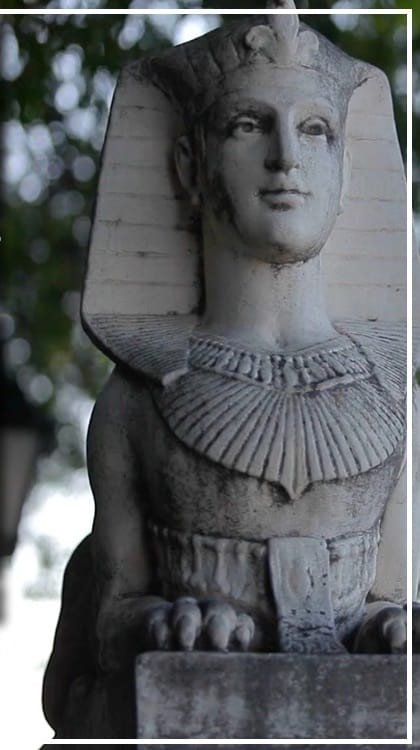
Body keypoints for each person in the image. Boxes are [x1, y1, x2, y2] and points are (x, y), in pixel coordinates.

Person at [43, 8, 407, 739]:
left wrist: (391, 623)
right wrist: (166, 619)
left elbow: (386, 602)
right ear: (189, 166)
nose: (286, 159)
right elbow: (113, 617)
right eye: (248, 125)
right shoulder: (137, 399)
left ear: (346, 170)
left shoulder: (393, 401)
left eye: (315, 130)